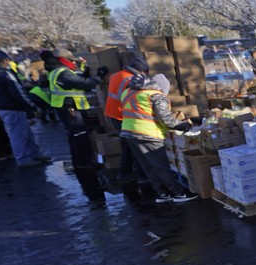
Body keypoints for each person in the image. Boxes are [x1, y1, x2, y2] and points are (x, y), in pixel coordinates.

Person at [119, 73, 197, 203]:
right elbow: (167, 120)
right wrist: (183, 126)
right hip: (147, 134)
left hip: (129, 132)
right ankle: (178, 193)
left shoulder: (128, 92)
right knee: (160, 165)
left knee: (147, 166)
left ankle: (162, 194)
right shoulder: (156, 96)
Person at [0, 49, 50, 167]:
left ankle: (33, 154)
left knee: (24, 133)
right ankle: (23, 159)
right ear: (4, 60)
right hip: (13, 107)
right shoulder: (4, 74)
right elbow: (18, 92)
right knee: (19, 135)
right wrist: (31, 105)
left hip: (2, 107)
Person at [46, 48, 108, 169]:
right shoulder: (63, 73)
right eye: (72, 60)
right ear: (64, 60)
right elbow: (84, 84)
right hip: (69, 109)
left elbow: (76, 83)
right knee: (79, 135)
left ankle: (79, 161)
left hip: (67, 107)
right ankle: (83, 163)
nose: (74, 63)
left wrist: (85, 74)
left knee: (75, 135)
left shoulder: (58, 71)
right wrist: (100, 76)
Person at [105, 55, 149, 184]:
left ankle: (124, 173)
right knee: (135, 146)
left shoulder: (117, 75)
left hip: (113, 113)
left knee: (127, 145)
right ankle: (142, 177)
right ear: (140, 70)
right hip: (122, 115)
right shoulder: (130, 80)